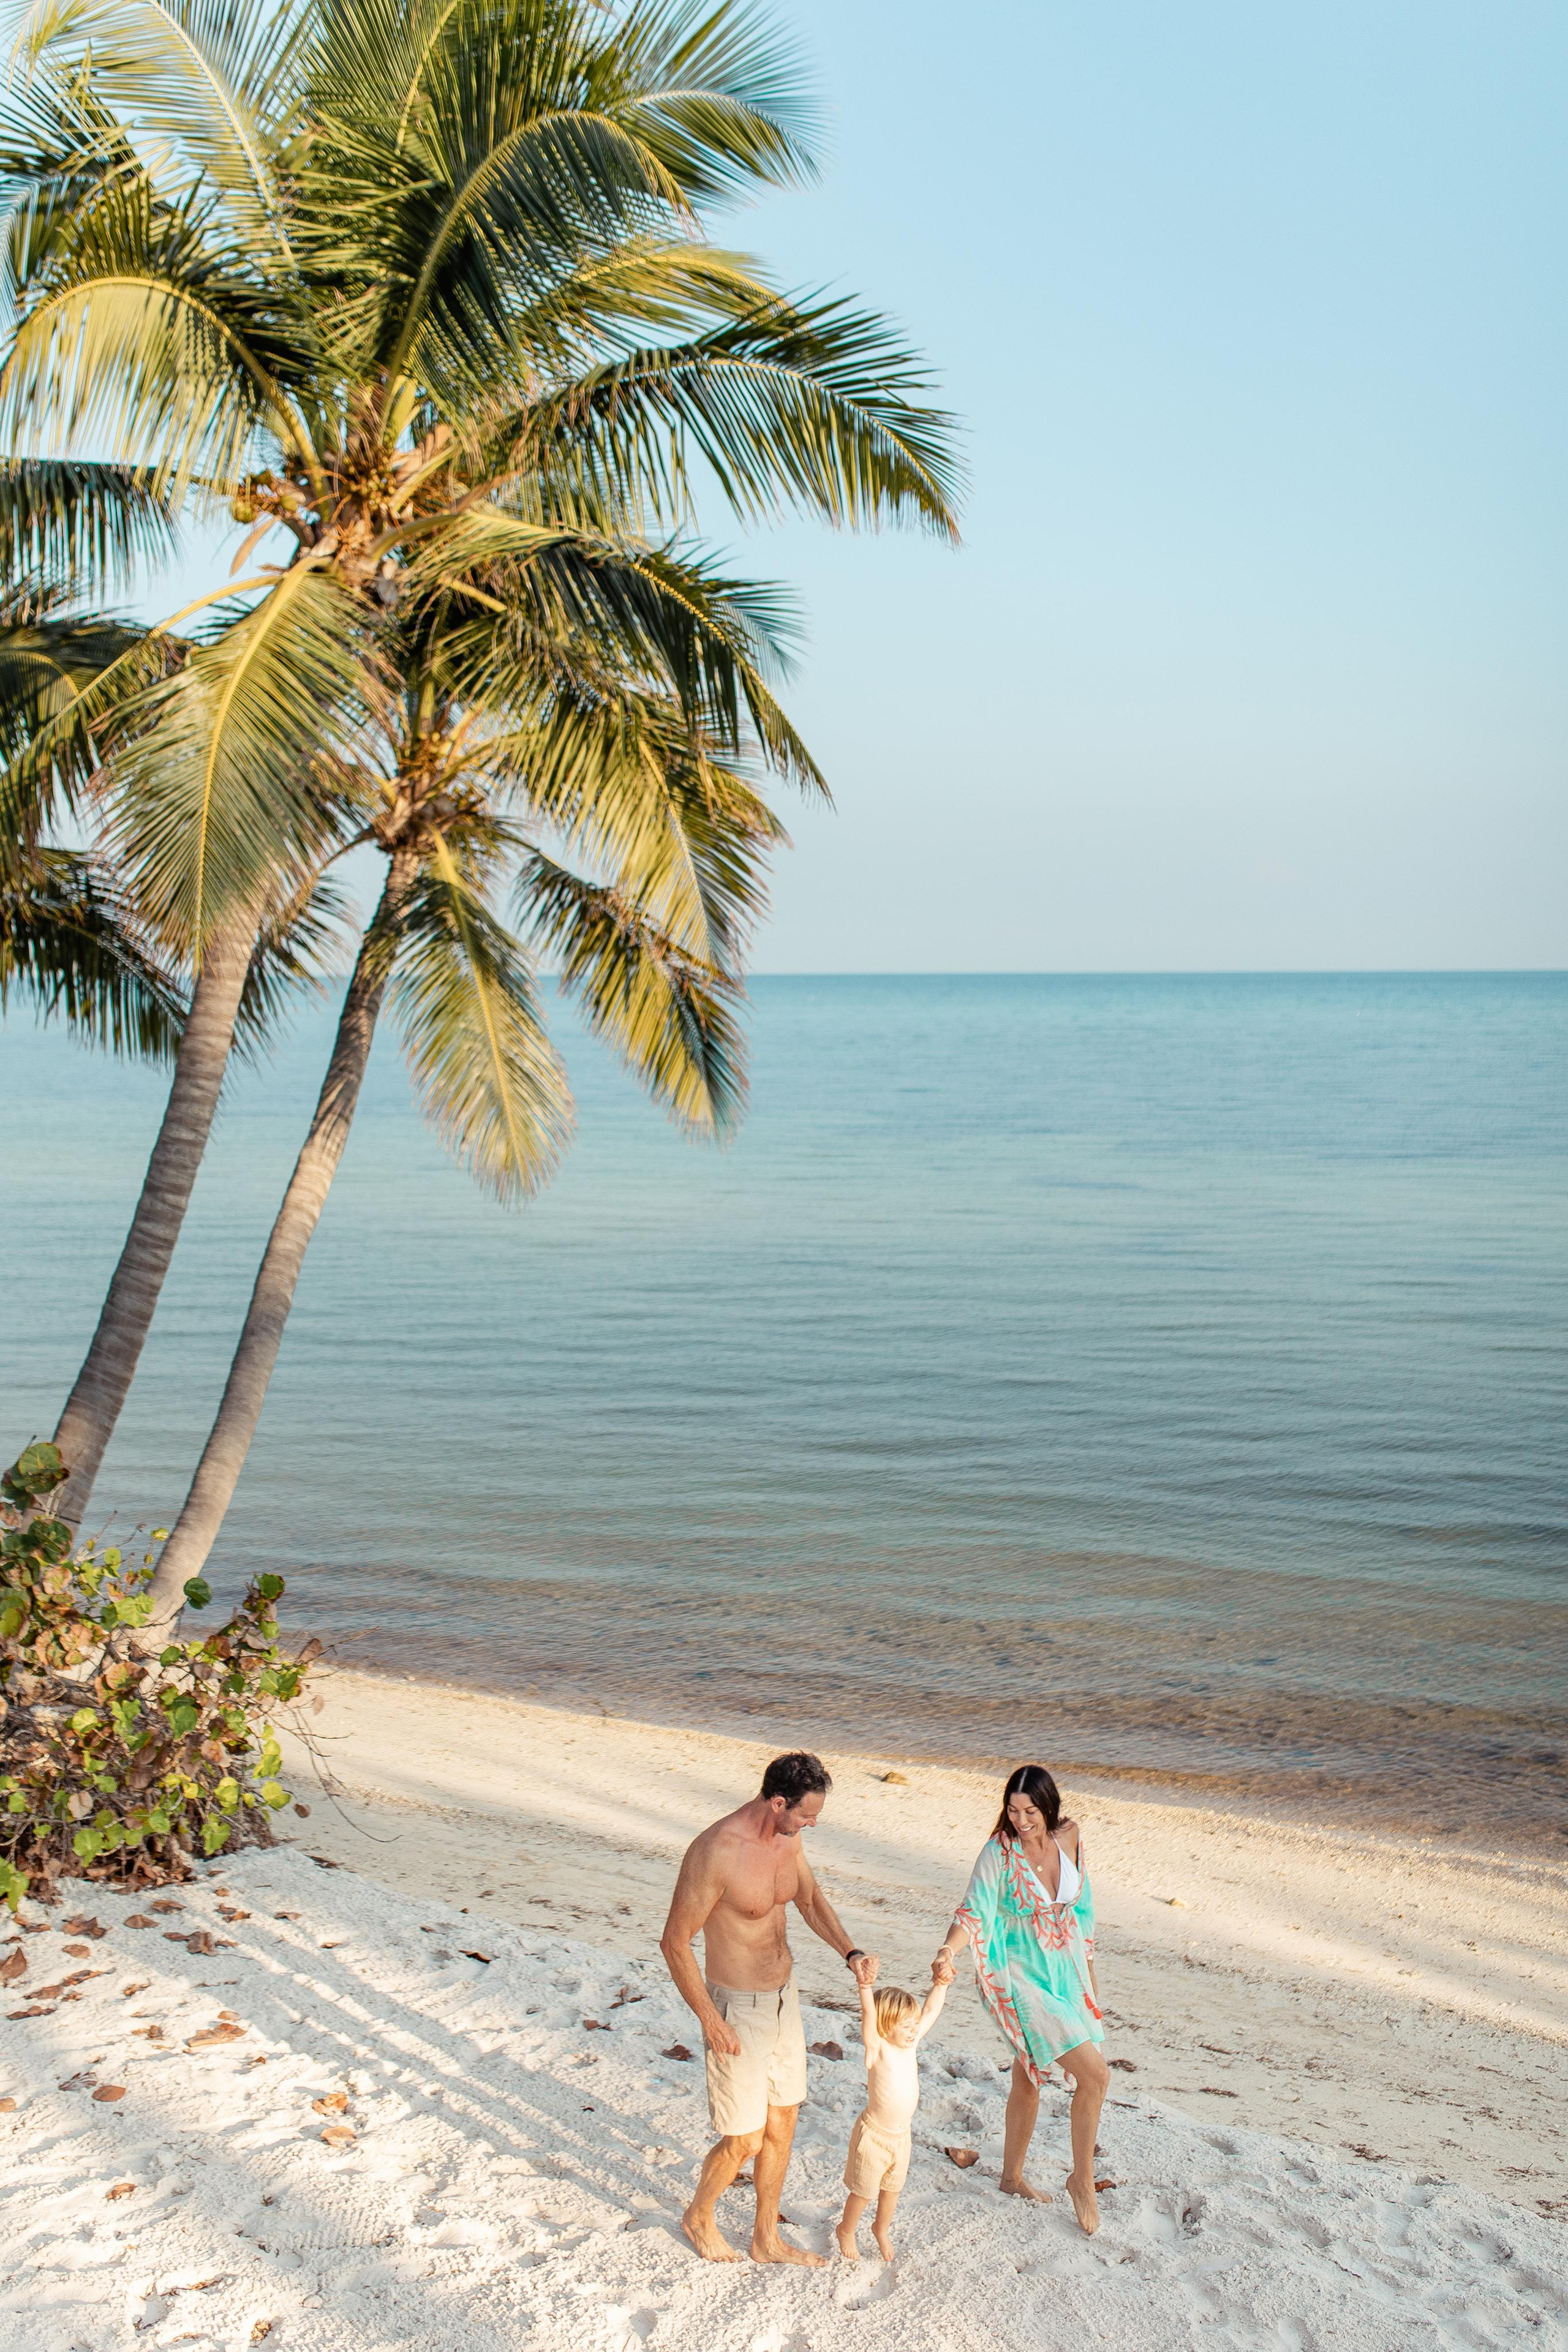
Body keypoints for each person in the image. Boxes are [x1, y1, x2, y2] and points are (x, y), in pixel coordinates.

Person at [660, 1749, 880, 2265]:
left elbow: (809, 1899)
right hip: (736, 2007)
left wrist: (850, 1951)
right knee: (744, 2139)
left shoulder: (788, 1838)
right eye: (806, 1814)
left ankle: (765, 2238)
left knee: (783, 2124)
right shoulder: (717, 1851)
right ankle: (698, 2217)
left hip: (785, 1999)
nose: (813, 1824)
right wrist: (710, 2021)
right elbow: (674, 1942)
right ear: (777, 1802)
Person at [932, 1763, 1109, 2234]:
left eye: (1030, 1810)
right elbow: (974, 1910)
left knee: (1028, 2077)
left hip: (1066, 1973)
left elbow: (1084, 1912)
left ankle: (1011, 2176)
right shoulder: (999, 1852)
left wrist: (1089, 1982)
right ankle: (1082, 2181)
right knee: (1096, 2076)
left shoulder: (1069, 1837)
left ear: (1048, 1806)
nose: (1021, 1819)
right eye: (1012, 1810)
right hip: (1021, 1977)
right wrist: (948, 1950)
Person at [834, 1961, 952, 2263]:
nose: (915, 2031)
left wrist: (940, 1985)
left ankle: (881, 2228)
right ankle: (846, 2230)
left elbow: (930, 2012)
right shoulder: (878, 2049)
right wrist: (865, 1988)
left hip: (902, 2137)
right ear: (886, 2027)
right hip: (874, 2136)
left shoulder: (909, 2046)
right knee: (864, 2192)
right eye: (906, 2026)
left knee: (892, 2190)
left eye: (914, 2025)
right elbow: (869, 2016)